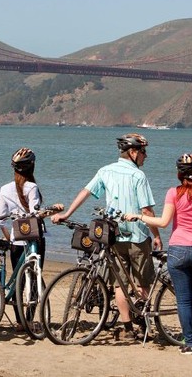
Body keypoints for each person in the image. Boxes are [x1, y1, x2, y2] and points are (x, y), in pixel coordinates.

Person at [51, 133, 162, 341]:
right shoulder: (138, 176)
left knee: (120, 284)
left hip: (114, 236)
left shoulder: (106, 171)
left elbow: (86, 192)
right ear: (133, 152)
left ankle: (127, 328)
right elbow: (146, 211)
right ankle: (142, 324)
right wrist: (157, 235)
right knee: (142, 283)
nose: (146, 156)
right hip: (138, 236)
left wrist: (67, 214)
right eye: (143, 152)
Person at [124, 153, 192, 354]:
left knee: (183, 298)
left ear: (179, 173)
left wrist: (138, 217)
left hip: (178, 250)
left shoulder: (173, 193)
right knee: (190, 294)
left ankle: (190, 342)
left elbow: (163, 222)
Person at [0, 147, 45, 330]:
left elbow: (0, 220)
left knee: (18, 281)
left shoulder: (4, 189)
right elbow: (35, 213)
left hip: (16, 239)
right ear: (32, 167)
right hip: (34, 239)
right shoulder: (32, 187)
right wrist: (51, 212)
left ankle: (19, 321)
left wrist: (10, 239)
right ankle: (29, 320)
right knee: (34, 277)